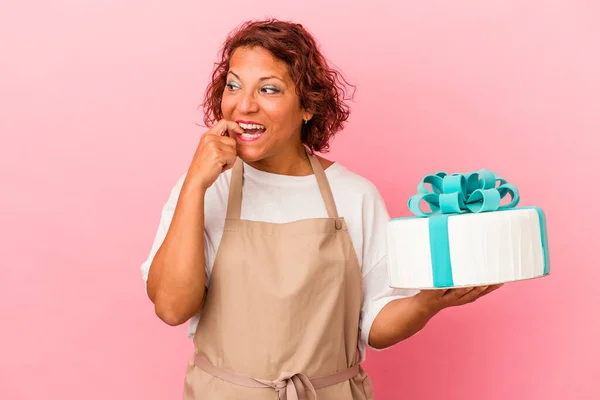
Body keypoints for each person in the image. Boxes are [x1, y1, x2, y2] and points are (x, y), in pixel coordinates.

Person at [140, 18, 502, 400]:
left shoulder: (354, 195)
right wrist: (196, 184)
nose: (243, 105)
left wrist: (426, 304)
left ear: (308, 106)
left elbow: (374, 324)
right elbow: (171, 308)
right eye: (233, 85)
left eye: (268, 89)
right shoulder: (203, 189)